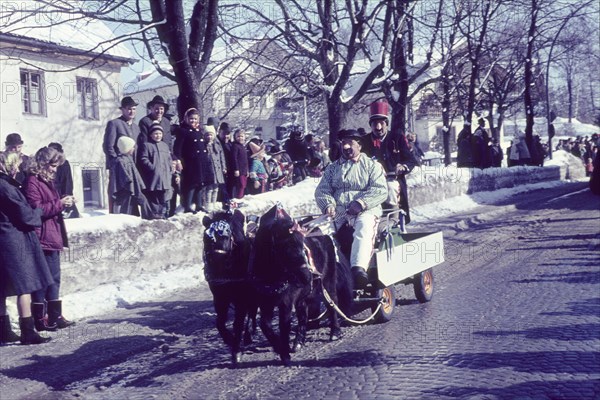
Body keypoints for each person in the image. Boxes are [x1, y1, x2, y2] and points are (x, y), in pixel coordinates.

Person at [315, 129, 387, 289]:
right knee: (318, 232)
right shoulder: (333, 168)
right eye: (343, 143)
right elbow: (322, 190)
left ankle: (358, 269)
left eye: (350, 143)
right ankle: (332, 271)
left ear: (359, 145)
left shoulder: (372, 166)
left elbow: (380, 190)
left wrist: (361, 203)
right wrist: (328, 204)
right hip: (339, 212)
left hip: (366, 211)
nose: (346, 146)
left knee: (364, 227)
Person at [0, 151, 54, 345]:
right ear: (10, 166)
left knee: (2, 286)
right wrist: (38, 211)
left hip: (4, 238)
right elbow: (25, 215)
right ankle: (27, 331)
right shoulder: (5, 187)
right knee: (25, 285)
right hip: (13, 240)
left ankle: (4, 331)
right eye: (16, 165)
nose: (18, 169)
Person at [23, 147, 75, 331]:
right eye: (52, 165)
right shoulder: (32, 182)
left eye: (56, 166)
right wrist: (59, 204)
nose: (55, 169)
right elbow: (36, 210)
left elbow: (49, 206)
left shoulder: (47, 180)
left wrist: (63, 203)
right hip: (41, 236)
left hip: (51, 234)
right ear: (43, 164)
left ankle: (54, 315)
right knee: (42, 279)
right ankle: (40, 318)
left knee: (54, 278)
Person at [361, 100, 419, 226]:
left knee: (391, 189)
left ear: (386, 124)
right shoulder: (364, 141)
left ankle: (393, 221)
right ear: (371, 125)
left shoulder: (397, 137)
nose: (378, 128)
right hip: (371, 183)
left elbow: (411, 160)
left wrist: (403, 166)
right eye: (375, 124)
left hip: (393, 180)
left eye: (381, 123)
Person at [103, 96, 140, 213]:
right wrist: (115, 162)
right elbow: (108, 146)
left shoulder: (136, 127)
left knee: (131, 195)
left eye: (134, 109)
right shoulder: (114, 124)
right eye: (129, 109)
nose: (131, 111)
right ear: (122, 109)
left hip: (132, 167)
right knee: (119, 196)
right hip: (119, 168)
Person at [174, 108, 213, 213]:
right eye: (191, 119)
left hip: (201, 162)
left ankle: (199, 205)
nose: (193, 121)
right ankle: (187, 206)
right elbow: (177, 147)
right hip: (190, 163)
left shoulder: (199, 131)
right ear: (186, 118)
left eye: (195, 119)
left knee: (200, 183)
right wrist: (177, 160)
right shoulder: (183, 131)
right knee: (191, 184)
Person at [138, 121, 174, 219]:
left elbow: (169, 159)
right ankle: (154, 214)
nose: (158, 135)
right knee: (154, 196)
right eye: (155, 133)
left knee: (164, 197)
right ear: (151, 134)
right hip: (154, 177)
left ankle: (162, 214)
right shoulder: (147, 145)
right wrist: (152, 167)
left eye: (160, 133)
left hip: (165, 176)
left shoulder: (165, 146)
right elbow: (143, 158)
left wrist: (171, 168)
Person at [110, 136, 149, 217]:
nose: (134, 149)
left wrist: (137, 184)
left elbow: (135, 174)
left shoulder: (129, 159)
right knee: (127, 209)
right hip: (126, 190)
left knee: (142, 201)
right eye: (132, 147)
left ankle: (147, 217)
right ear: (127, 148)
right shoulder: (120, 161)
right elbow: (123, 177)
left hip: (133, 188)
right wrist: (130, 184)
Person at [47, 142, 80, 218]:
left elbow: (68, 181)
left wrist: (68, 195)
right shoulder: (47, 163)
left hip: (61, 193)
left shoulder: (64, 163)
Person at [204, 125, 227, 211]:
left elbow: (222, 157)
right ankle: (208, 203)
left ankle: (213, 203)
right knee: (209, 188)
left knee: (216, 188)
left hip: (218, 170)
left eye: (211, 135)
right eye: (207, 135)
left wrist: (224, 167)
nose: (209, 137)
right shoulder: (204, 145)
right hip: (209, 170)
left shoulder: (217, 145)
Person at [230, 129, 249, 199]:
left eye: (242, 136)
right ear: (235, 137)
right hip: (239, 170)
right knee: (240, 185)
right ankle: (238, 198)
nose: (240, 138)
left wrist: (247, 170)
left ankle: (241, 197)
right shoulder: (235, 146)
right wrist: (236, 169)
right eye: (238, 136)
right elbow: (234, 158)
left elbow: (245, 160)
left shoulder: (243, 146)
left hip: (244, 170)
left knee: (243, 185)